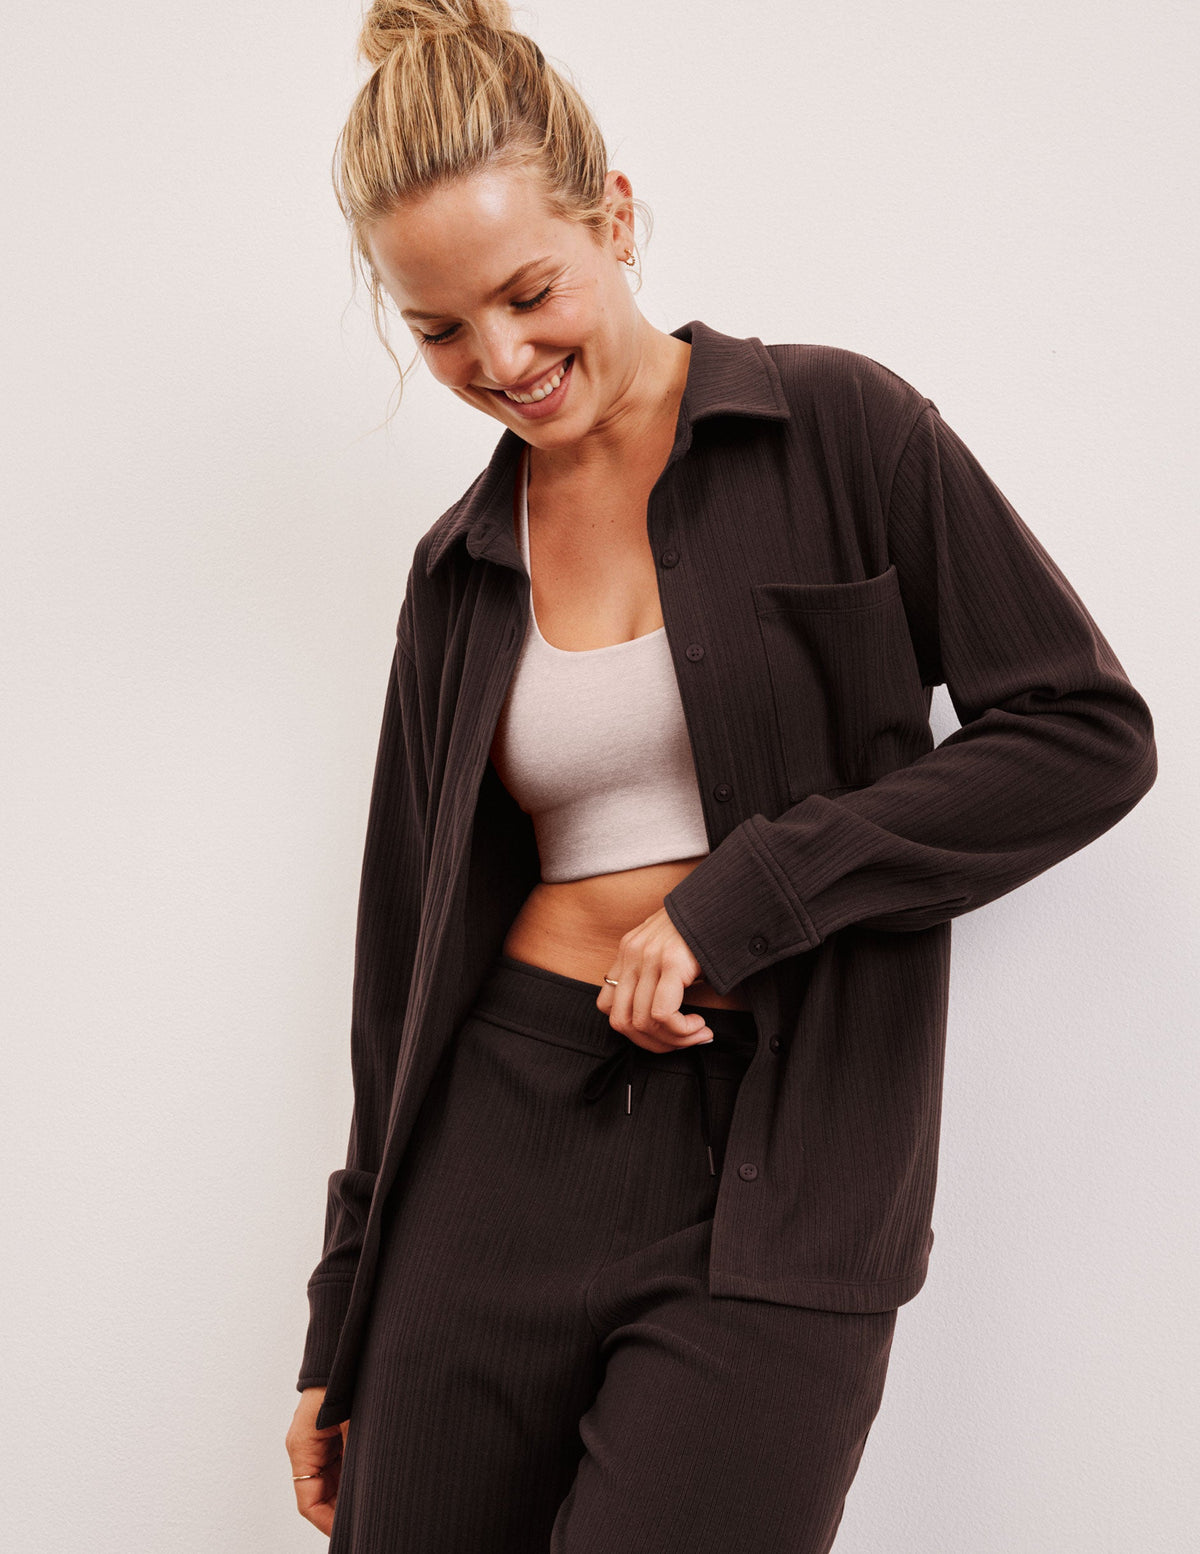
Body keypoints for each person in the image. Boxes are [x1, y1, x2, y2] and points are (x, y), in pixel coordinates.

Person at [284, 3, 1158, 1549]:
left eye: (528, 290)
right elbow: (396, 965)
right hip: (492, 1153)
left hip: (787, 1168)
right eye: (437, 331)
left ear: (613, 214)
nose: (500, 359)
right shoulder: (460, 572)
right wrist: (340, 1313)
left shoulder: (844, 432)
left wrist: (750, 891)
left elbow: (1084, 734)